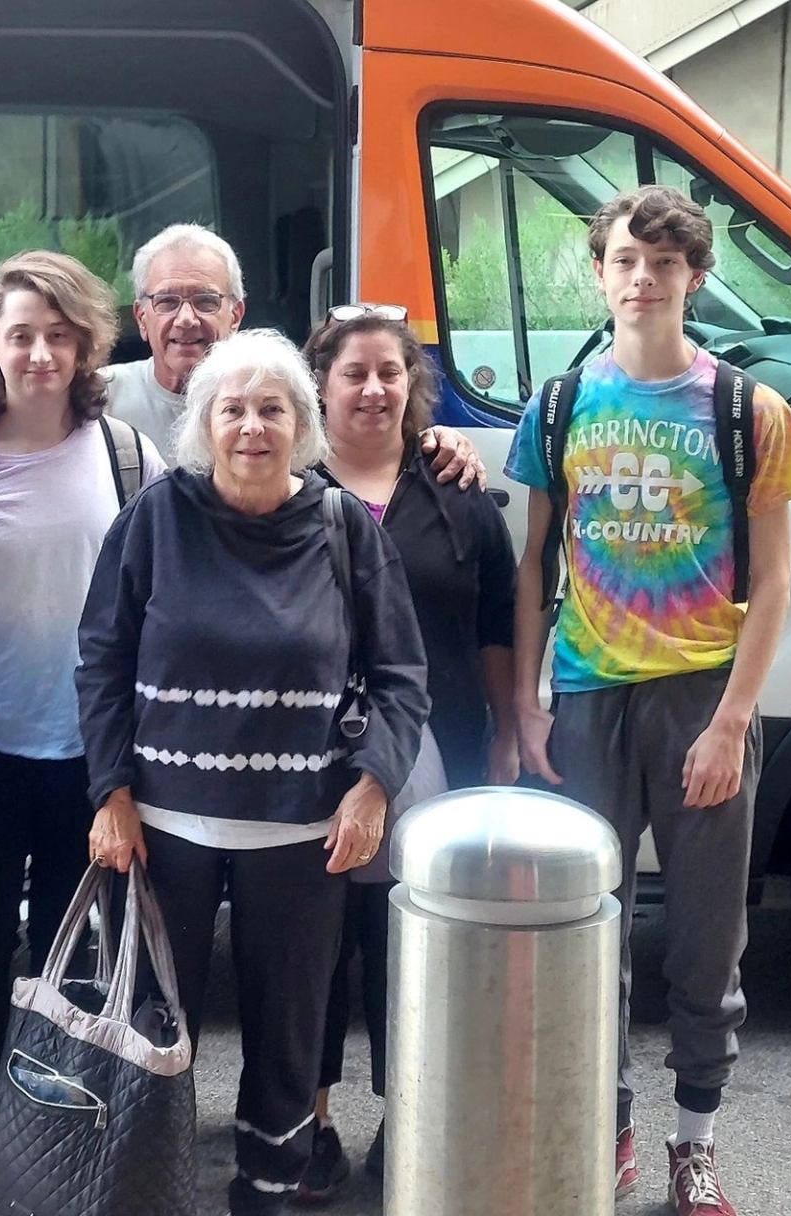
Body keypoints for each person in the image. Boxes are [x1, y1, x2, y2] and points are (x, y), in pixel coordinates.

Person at [507, 188, 791, 1216]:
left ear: (695, 277)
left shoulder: (747, 411)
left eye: (666, 263)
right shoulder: (559, 405)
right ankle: (610, 1129)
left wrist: (733, 721)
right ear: (601, 273)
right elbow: (531, 562)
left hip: (700, 699)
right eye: (626, 261)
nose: (643, 278)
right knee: (586, 932)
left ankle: (697, 1144)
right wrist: (527, 699)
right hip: (589, 699)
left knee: (704, 934)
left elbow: (772, 582)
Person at [77, 329, 432, 1216]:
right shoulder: (155, 521)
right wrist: (112, 791)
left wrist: (374, 783)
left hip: (303, 829)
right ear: (202, 423)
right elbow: (101, 660)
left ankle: (267, 1194)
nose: (251, 426)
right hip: (167, 828)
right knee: (154, 1030)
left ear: (301, 423)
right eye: (230, 408)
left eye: (272, 408)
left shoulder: (341, 525)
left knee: (288, 1036)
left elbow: (401, 675)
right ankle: (147, 1190)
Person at [0, 251, 167, 1208]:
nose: (40, 352)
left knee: (74, 939)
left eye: (59, 335)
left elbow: (159, 606)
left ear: (89, 343)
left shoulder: (130, 457)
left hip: (90, 753)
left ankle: (54, 1111)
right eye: (21, 334)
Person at [295, 305, 518, 1201]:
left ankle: (410, 1113)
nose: (375, 388)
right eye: (355, 373)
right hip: (308, 752)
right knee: (310, 941)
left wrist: (507, 728)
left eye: (393, 372)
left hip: (440, 744)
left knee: (410, 940)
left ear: (413, 386)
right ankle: (303, 1119)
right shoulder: (287, 483)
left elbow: (497, 618)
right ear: (322, 384)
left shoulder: (458, 495)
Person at [0, 223, 486, 485]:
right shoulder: (95, 396)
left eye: (205, 301)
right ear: (141, 317)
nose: (186, 320)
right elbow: (24, 404)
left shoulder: (284, 408)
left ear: (237, 315)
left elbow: (368, 439)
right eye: (167, 301)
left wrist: (439, 440)